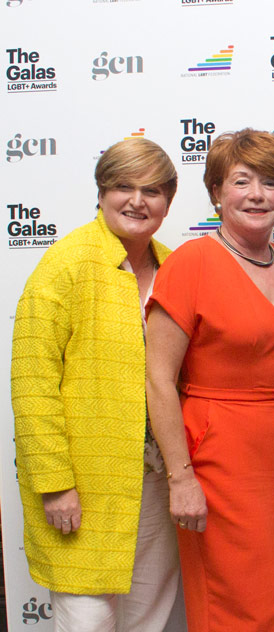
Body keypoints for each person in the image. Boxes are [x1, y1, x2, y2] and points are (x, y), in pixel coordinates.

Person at [145, 129, 274, 631]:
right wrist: (181, 478)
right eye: (241, 181)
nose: (257, 194)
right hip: (216, 458)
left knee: (273, 597)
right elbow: (157, 377)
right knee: (235, 606)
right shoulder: (191, 262)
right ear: (217, 192)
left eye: (271, 182)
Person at [11, 138, 182, 631]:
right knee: (87, 618)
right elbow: (32, 382)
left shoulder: (175, 267)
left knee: (148, 616)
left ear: (168, 201)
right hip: (84, 484)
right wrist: (54, 485)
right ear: (102, 192)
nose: (137, 200)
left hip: (155, 480)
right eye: (122, 186)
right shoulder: (64, 265)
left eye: (151, 189)